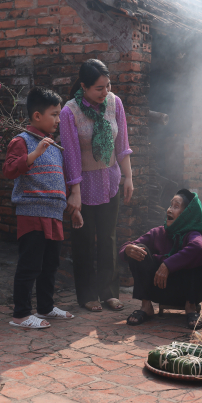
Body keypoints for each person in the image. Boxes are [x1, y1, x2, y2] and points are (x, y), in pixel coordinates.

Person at [60, 59, 134, 313]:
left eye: (108, 86)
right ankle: (87, 295)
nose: (105, 93)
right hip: (83, 185)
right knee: (82, 242)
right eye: (99, 88)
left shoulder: (115, 103)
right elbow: (70, 156)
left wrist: (128, 177)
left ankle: (108, 293)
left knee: (108, 239)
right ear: (84, 87)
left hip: (110, 182)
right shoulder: (69, 112)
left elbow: (122, 144)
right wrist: (75, 193)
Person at [3, 87, 74, 329]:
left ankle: (45, 307)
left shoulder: (53, 145)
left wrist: (71, 206)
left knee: (50, 265)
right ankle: (21, 315)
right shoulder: (21, 141)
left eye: (59, 114)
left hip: (54, 214)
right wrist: (34, 153)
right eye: (54, 114)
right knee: (30, 265)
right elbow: (10, 170)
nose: (58, 119)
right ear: (36, 116)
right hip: (32, 213)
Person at [119, 189, 202, 329]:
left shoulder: (192, 233)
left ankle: (190, 308)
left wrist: (167, 264)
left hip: (187, 294)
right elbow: (129, 246)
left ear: (186, 214)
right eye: (170, 205)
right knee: (138, 249)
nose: (169, 210)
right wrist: (127, 249)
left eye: (176, 206)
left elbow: (199, 248)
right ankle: (146, 307)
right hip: (160, 290)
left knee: (194, 255)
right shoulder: (158, 232)